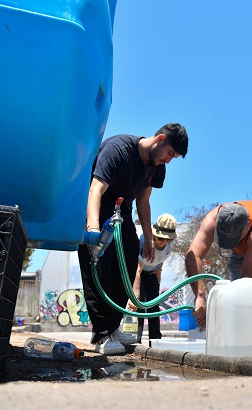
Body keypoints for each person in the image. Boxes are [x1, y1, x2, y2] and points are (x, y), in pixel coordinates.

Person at [78, 123, 188, 355]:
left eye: (173, 158)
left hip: (122, 214)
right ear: (159, 139)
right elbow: (95, 189)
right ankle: (102, 334)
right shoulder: (119, 150)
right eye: (170, 153)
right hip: (95, 211)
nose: (168, 160)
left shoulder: (157, 167)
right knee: (99, 269)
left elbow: (143, 202)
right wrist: (93, 231)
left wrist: (147, 238)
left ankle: (113, 328)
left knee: (128, 267)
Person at [184, 200, 252, 355]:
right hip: (241, 251)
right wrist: (201, 296)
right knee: (236, 303)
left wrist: (224, 309)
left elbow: (245, 283)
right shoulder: (213, 219)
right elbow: (192, 256)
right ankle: (239, 340)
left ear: (247, 226)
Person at [126, 213, 178, 345]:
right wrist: (135, 294)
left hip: (152, 273)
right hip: (139, 272)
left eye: (168, 239)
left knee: (154, 307)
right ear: (154, 234)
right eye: (161, 239)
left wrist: (159, 271)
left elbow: (163, 257)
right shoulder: (145, 241)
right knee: (139, 305)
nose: (164, 242)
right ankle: (137, 338)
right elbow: (138, 269)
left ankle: (155, 340)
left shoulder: (169, 244)